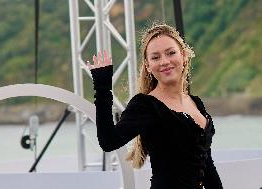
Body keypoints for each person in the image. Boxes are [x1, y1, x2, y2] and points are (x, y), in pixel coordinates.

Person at [87, 23, 223, 189]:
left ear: (183, 56)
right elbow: (108, 141)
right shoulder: (146, 105)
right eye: (155, 57)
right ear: (148, 65)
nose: (164, 61)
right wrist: (102, 88)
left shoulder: (196, 103)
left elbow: (207, 166)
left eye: (171, 53)